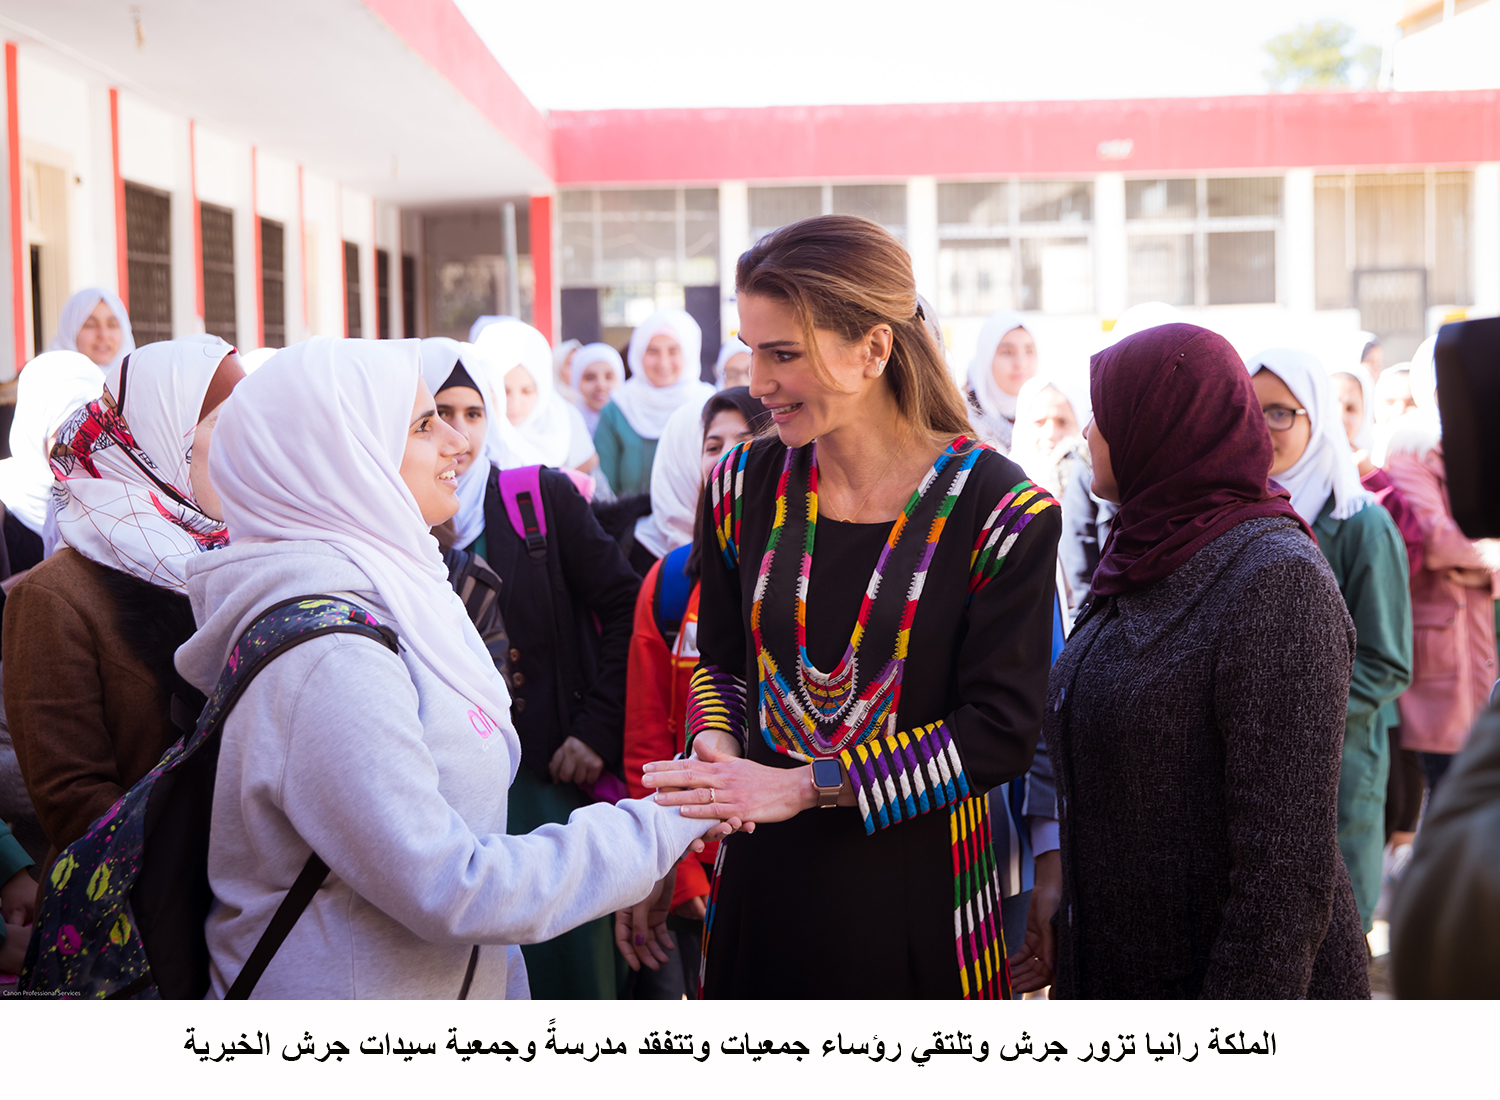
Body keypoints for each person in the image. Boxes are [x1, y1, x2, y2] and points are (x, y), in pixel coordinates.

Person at [177, 336, 724, 999]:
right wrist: (662, 825)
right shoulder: (331, 658)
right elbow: (452, 887)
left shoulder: (403, 592)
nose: (454, 443)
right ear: (347, 455)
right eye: (421, 424)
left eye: (451, 417)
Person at [641, 215, 1061, 999]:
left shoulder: (1004, 513)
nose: (756, 380)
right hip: (764, 885)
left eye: (783, 354)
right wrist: (719, 747)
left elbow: (1000, 733)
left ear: (873, 349)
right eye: (752, 349)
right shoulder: (739, 485)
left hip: (924, 894)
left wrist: (801, 786)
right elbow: (723, 663)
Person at [1033, 323, 1369, 998]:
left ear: (1163, 425)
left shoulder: (1276, 578)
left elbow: (1283, 879)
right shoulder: (1145, 551)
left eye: (1108, 412)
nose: (1088, 433)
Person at [423, 335, 644, 998]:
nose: (457, 434)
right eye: (436, 416)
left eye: (472, 413)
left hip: (548, 786)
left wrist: (596, 730)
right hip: (446, 805)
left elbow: (625, 602)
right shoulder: (391, 517)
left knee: (565, 978)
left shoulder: (536, 498)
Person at [3, 337, 243, 872]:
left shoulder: (242, 557)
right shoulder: (54, 596)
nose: (247, 447)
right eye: (224, 425)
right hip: (151, 918)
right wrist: (221, 863)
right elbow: (72, 796)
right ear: (157, 440)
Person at [1247, 348, 1412, 934]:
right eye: (1249, 409)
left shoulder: (1359, 522)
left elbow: (1388, 664)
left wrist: (1294, 713)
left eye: (1279, 412)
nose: (1262, 427)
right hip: (1257, 765)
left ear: (1316, 417)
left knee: (1335, 938)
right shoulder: (1243, 515)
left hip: (1341, 767)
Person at [620, 387, 766, 998]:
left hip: (766, 857)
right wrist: (674, 872)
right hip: (682, 862)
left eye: (745, 443)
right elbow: (647, 739)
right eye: (713, 446)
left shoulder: (800, 580)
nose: (728, 459)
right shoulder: (670, 581)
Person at [1382, 340, 1500, 803]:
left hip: (1477, 639)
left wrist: (1478, 565)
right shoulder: (1409, 449)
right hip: (1439, 647)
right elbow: (1438, 541)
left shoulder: (1480, 447)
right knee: (1449, 792)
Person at [0, 352, 103, 577]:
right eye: (66, 430)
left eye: (93, 430)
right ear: (36, 426)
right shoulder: (7, 499)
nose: (81, 446)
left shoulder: (113, 499)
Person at [594, 309, 714, 497]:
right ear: (638, 352)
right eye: (653, 351)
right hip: (629, 524)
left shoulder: (710, 406)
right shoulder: (618, 408)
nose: (663, 362)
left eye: (673, 350)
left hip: (698, 524)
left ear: (689, 353)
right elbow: (604, 489)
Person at [475, 320, 598, 479]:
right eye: (503, 392)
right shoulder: (473, 426)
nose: (514, 404)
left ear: (543, 387)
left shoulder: (566, 419)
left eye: (527, 391)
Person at [965, 311, 1037, 453]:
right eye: (1007, 352)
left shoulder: (1050, 420)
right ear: (986, 358)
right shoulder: (964, 427)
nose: (1021, 364)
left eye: (1029, 351)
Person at [49, 288, 134, 369]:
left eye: (112, 325)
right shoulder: (49, 379)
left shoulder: (137, 379)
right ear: (69, 331)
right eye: (91, 325)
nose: (103, 335)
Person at [572, 343, 624, 436]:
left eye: (608, 377)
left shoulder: (633, 423)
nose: (600, 385)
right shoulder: (566, 425)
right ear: (576, 382)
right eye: (590, 378)